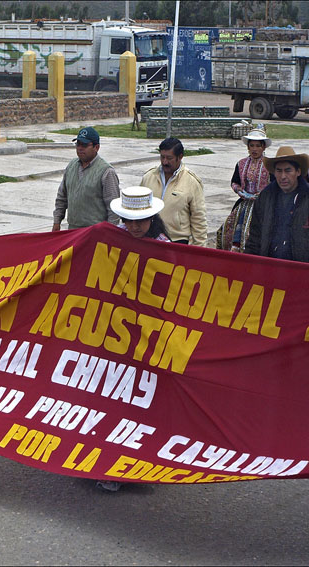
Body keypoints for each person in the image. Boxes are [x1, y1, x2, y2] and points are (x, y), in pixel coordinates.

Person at [97, 186, 168, 493]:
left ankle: (137, 465)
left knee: (142, 405)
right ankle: (105, 464)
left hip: (149, 336)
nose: (136, 226)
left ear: (153, 217)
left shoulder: (167, 248)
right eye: (130, 220)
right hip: (113, 333)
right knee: (109, 399)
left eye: (142, 220)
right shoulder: (110, 239)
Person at [244, 146, 309, 265]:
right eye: (279, 171)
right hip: (269, 268)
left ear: (298, 172)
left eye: (288, 170)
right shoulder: (265, 197)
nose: (283, 176)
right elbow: (255, 237)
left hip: (303, 273)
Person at [140, 137, 206, 245]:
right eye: (162, 157)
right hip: (150, 239)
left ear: (180, 157)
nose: (165, 162)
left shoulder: (192, 182)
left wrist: (199, 249)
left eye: (169, 158)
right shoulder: (149, 177)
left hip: (177, 242)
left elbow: (199, 219)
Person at [52, 126, 120, 231]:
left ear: (96, 147)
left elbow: (113, 210)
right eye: (78, 144)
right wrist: (57, 222)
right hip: (73, 231)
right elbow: (62, 197)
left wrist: (109, 234)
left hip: (95, 234)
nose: (80, 148)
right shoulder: (71, 166)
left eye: (84, 145)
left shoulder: (106, 172)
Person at [217, 129, 274, 252]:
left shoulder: (270, 165)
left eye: (258, 146)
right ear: (248, 147)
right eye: (251, 145)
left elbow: (274, 186)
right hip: (244, 204)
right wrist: (239, 190)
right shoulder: (241, 163)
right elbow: (234, 181)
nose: (254, 149)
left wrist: (263, 195)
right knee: (231, 229)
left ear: (263, 147)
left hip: (263, 206)